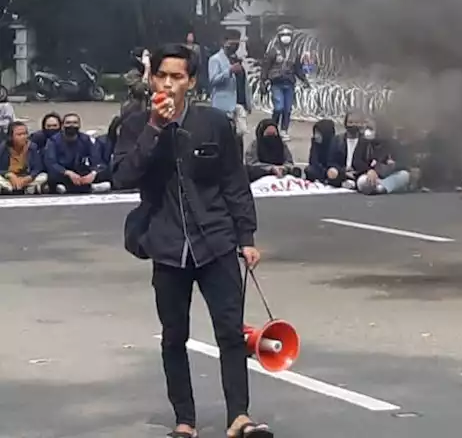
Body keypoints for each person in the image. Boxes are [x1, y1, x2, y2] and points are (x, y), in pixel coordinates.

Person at [111, 42, 271, 438]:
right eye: (161, 75)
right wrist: (154, 128)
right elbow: (122, 176)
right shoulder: (134, 123)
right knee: (174, 336)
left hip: (216, 240)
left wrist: (246, 236)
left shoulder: (213, 123)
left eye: (177, 77)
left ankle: (239, 417)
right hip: (166, 244)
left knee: (230, 331)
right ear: (151, 79)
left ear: (192, 81)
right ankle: (185, 421)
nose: (168, 83)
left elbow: (234, 182)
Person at [258, 25, 308, 140]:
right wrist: (262, 81)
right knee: (278, 108)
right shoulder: (273, 51)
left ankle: (284, 130)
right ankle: (273, 127)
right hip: (276, 83)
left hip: (289, 83)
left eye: (288, 35)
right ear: (279, 37)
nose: (286, 38)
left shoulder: (294, 52)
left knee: (287, 109)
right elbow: (265, 67)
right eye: (283, 35)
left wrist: (305, 81)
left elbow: (298, 69)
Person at [43, 113, 109, 194]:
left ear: (79, 125)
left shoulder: (86, 139)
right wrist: (68, 173)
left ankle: (75, 188)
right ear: (63, 125)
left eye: (75, 123)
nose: (71, 125)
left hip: (82, 173)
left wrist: (93, 174)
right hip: (64, 173)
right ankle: (89, 188)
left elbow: (97, 159)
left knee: (105, 171)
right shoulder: (53, 141)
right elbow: (51, 163)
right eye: (68, 123)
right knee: (52, 176)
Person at [354, 122, 413, 195]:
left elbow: (404, 162)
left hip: (389, 176)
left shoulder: (394, 144)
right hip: (370, 176)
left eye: (371, 129)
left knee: (405, 175)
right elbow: (357, 161)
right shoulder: (362, 143)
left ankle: (382, 187)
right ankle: (381, 188)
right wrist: (369, 170)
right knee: (361, 181)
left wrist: (394, 165)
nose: (368, 131)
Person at [0, 120, 47, 195]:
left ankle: (15, 189)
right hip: (9, 178)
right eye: (19, 134)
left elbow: (38, 168)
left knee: (44, 176)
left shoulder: (32, 147)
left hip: (25, 178)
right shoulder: (3, 147)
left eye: (25, 134)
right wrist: (9, 175)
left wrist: (29, 177)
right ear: (11, 136)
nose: (23, 137)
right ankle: (13, 188)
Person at [207, 30, 243, 124]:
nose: (235, 47)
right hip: (221, 105)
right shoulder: (215, 59)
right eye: (233, 43)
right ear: (224, 43)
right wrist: (230, 71)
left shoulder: (235, 59)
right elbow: (213, 80)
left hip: (236, 105)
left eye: (237, 43)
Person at [304, 118, 344, 186]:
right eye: (315, 133)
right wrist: (323, 171)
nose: (316, 136)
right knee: (309, 170)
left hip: (333, 169)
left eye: (318, 133)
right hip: (321, 170)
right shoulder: (315, 142)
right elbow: (313, 161)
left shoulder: (336, 143)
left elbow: (335, 162)